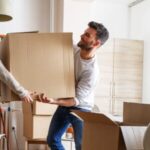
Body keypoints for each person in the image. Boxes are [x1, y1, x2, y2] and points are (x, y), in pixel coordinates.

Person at [38, 21, 109, 150]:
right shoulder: (74, 50)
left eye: (87, 35)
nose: (82, 36)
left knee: (81, 146)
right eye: (84, 32)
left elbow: (76, 100)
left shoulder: (92, 71)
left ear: (97, 43)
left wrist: (53, 101)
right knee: (52, 140)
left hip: (82, 108)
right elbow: (54, 44)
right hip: (66, 103)